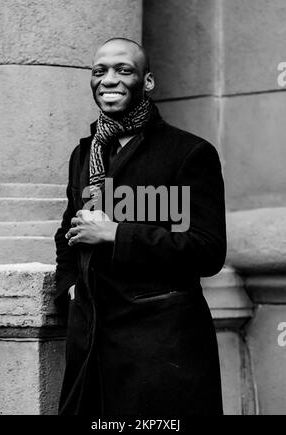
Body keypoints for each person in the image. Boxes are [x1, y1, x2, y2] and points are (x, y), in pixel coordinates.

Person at [54, 37, 227, 417]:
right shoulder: (85, 153)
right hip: (91, 345)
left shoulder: (188, 153)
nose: (108, 79)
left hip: (161, 350)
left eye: (123, 70)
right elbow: (68, 229)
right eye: (100, 71)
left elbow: (206, 250)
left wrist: (116, 233)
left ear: (146, 82)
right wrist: (69, 286)